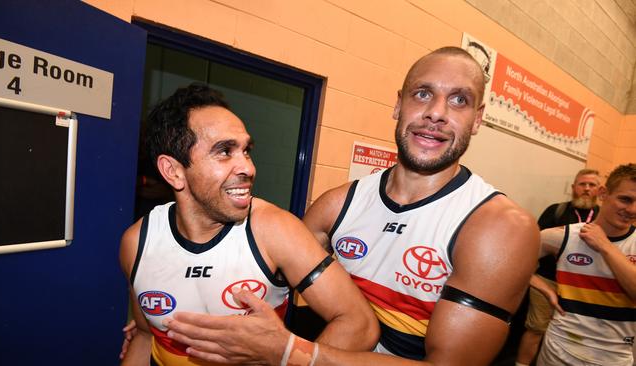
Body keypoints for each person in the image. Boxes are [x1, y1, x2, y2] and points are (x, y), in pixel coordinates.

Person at [161, 47, 541, 365]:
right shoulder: (337, 204)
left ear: (478, 119)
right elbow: (262, 281)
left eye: (460, 100)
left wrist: (295, 353)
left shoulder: (498, 226)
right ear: (398, 104)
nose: (437, 112)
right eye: (423, 93)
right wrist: (154, 321)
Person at [118, 83, 379, 365]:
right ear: (173, 171)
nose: (248, 168)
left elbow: (360, 324)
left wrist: (288, 355)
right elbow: (145, 336)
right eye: (224, 151)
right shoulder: (138, 243)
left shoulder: (275, 230)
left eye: (246, 150)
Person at [530, 163, 636, 365]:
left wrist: (605, 246)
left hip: (614, 356)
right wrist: (544, 288)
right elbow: (511, 261)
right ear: (604, 194)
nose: (632, 209)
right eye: (625, 199)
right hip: (558, 350)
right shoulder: (564, 235)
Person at [515, 168, 601, 366]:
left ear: (600, 190)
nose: (586, 189)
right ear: (573, 188)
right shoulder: (557, 210)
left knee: (573, 332)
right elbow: (533, 242)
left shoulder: (603, 217)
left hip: (581, 286)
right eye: (582, 184)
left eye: (592, 185)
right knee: (536, 328)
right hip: (547, 280)